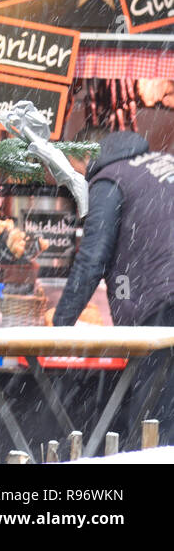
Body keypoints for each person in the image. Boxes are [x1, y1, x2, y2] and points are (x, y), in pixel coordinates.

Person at [52, 130, 174, 446]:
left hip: (162, 305)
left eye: (69, 167)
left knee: (154, 418)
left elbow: (92, 257)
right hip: (164, 297)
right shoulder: (163, 163)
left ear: (84, 157)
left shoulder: (110, 180)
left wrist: (59, 327)